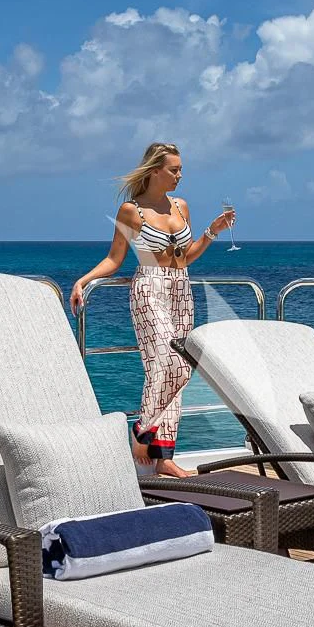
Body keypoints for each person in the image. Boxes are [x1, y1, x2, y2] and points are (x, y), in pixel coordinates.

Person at [70, 142, 236, 477]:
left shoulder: (181, 206)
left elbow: (186, 256)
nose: (180, 175)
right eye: (174, 169)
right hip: (149, 290)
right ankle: (142, 435)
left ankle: (164, 456)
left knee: (179, 371)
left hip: (181, 289)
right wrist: (83, 281)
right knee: (168, 366)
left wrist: (212, 232)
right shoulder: (132, 211)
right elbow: (115, 258)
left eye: (180, 168)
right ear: (154, 170)